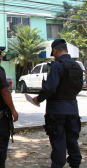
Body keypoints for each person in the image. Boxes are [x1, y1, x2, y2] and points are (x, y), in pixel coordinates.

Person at [33, 39, 83, 168]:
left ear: (55, 51)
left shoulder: (57, 65)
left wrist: (38, 99)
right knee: (73, 141)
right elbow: (80, 86)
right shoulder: (77, 66)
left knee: (59, 143)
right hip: (72, 109)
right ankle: (75, 164)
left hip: (56, 111)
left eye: (53, 53)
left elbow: (50, 87)